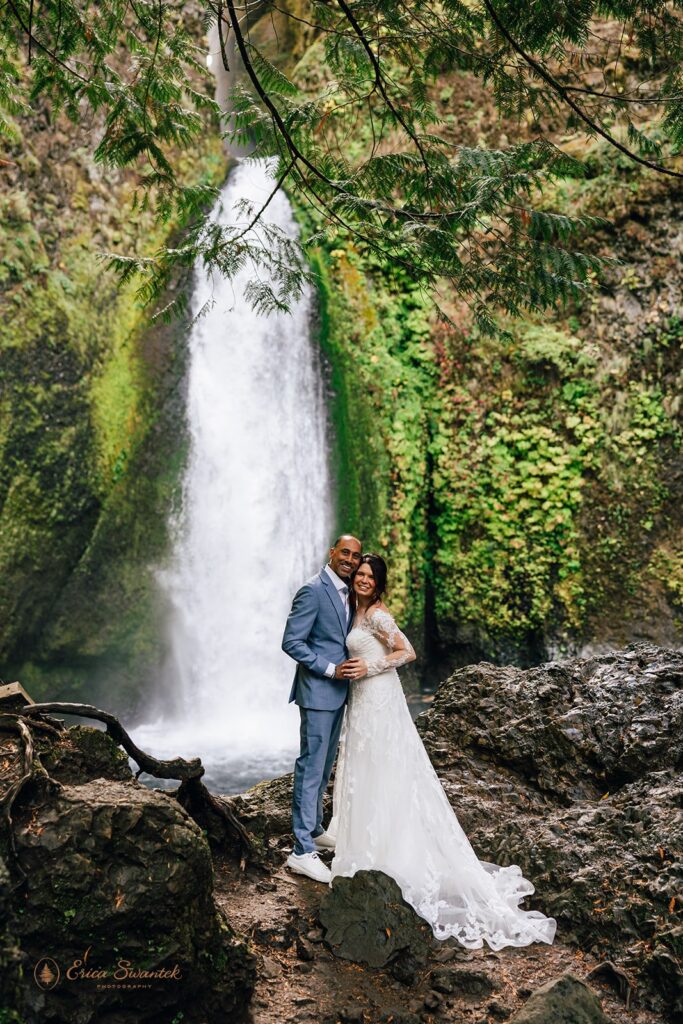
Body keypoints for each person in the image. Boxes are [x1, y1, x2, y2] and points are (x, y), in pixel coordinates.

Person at [325, 553, 557, 951]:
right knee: (366, 767)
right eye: (359, 574)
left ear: (379, 584)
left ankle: (388, 849)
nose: (363, 580)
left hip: (379, 696)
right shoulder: (354, 611)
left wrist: (370, 668)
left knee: (386, 768)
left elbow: (407, 652)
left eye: (369, 577)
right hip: (362, 701)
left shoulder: (378, 615)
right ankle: (365, 842)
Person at [281, 534, 362, 883]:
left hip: (338, 695)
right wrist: (330, 669)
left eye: (355, 556)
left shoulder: (348, 592)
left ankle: (313, 829)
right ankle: (301, 851)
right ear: (332, 553)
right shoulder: (313, 590)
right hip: (317, 692)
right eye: (345, 552)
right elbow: (291, 642)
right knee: (311, 768)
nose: (350, 559)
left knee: (324, 765)